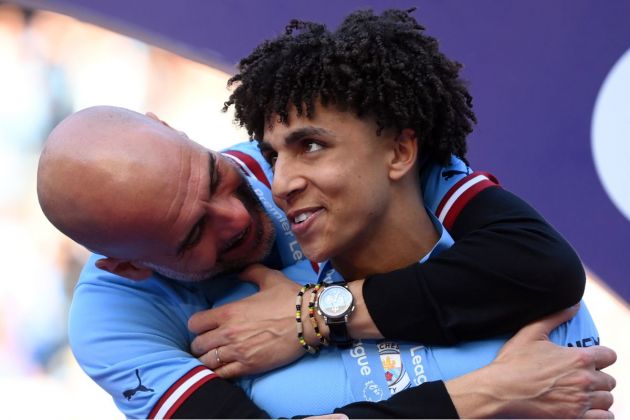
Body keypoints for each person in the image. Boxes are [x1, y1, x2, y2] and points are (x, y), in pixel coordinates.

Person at [36, 11, 614, 420]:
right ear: (129, 266)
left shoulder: (308, 156)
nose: (238, 212)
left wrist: (310, 318)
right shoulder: (114, 325)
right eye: (193, 235)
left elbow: (543, 270)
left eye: (215, 175)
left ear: (170, 127)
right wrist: (488, 394)